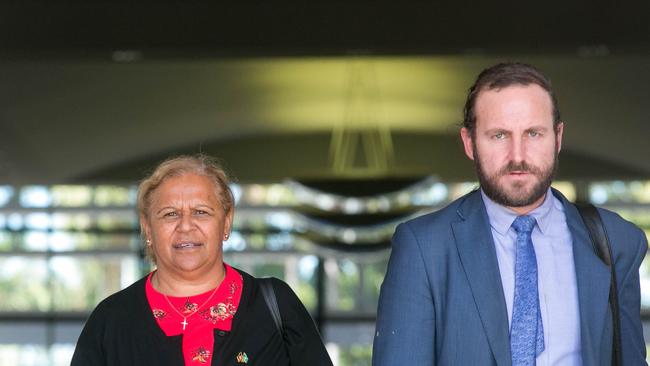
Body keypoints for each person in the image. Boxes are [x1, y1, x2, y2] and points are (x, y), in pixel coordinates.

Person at [372, 63, 647, 365]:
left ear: (557, 137)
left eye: (533, 133)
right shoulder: (425, 248)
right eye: (499, 135)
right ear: (469, 142)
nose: (517, 155)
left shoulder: (615, 242)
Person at [72, 155, 333, 366]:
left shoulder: (275, 306)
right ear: (148, 228)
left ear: (226, 221)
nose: (186, 226)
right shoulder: (111, 321)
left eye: (201, 212)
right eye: (170, 214)